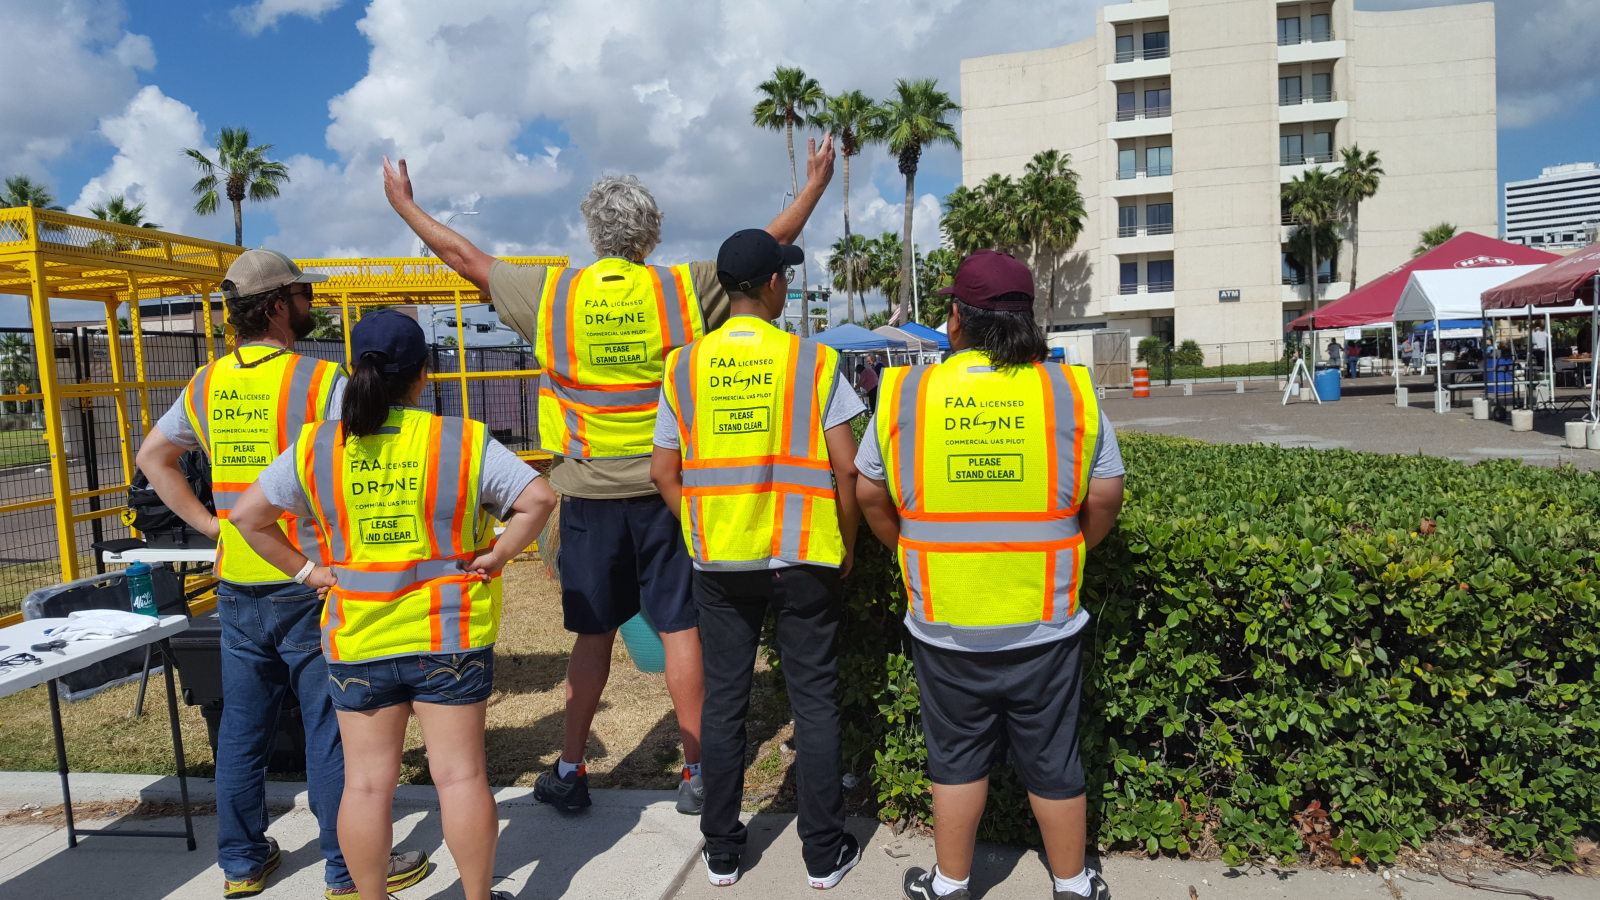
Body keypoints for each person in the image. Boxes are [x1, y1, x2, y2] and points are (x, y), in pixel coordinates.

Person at [382, 136, 837, 815]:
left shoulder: (551, 292)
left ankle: (570, 769)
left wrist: (404, 208)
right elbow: (767, 245)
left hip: (586, 492)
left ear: (594, 231)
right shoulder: (682, 288)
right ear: (652, 234)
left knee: (591, 635)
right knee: (681, 631)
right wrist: (814, 186)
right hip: (665, 489)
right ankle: (696, 776)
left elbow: (461, 256)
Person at [230, 310, 558, 900]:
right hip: (447, 636)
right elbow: (538, 499)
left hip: (358, 637)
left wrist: (307, 572)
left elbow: (247, 518)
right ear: (423, 374)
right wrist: (498, 554)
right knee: (460, 778)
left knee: (364, 787)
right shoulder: (459, 439)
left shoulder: (317, 447)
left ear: (356, 370)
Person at [135, 250, 430, 900]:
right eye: (300, 292)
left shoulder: (206, 383)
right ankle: (347, 869)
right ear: (276, 306)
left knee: (243, 727)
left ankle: (241, 864)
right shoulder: (319, 382)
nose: (308, 300)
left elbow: (152, 458)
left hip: (238, 580)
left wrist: (213, 525)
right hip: (307, 577)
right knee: (332, 726)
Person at [854, 250, 1125, 900]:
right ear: (1027, 320)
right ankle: (1074, 885)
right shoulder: (1070, 393)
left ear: (957, 320)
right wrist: (1070, 551)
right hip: (1045, 622)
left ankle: (949, 885)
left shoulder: (905, 393)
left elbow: (868, 494)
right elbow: (1106, 495)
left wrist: (910, 546)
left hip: (944, 623)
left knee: (954, 761)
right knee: (1054, 762)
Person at [651, 228, 865, 890]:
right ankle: (823, 854)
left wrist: (704, 525)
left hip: (721, 565)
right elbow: (847, 468)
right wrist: (848, 546)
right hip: (804, 556)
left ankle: (720, 851)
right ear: (774, 285)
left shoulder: (682, 366)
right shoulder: (813, 361)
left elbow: (664, 471)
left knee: (724, 704)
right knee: (816, 703)